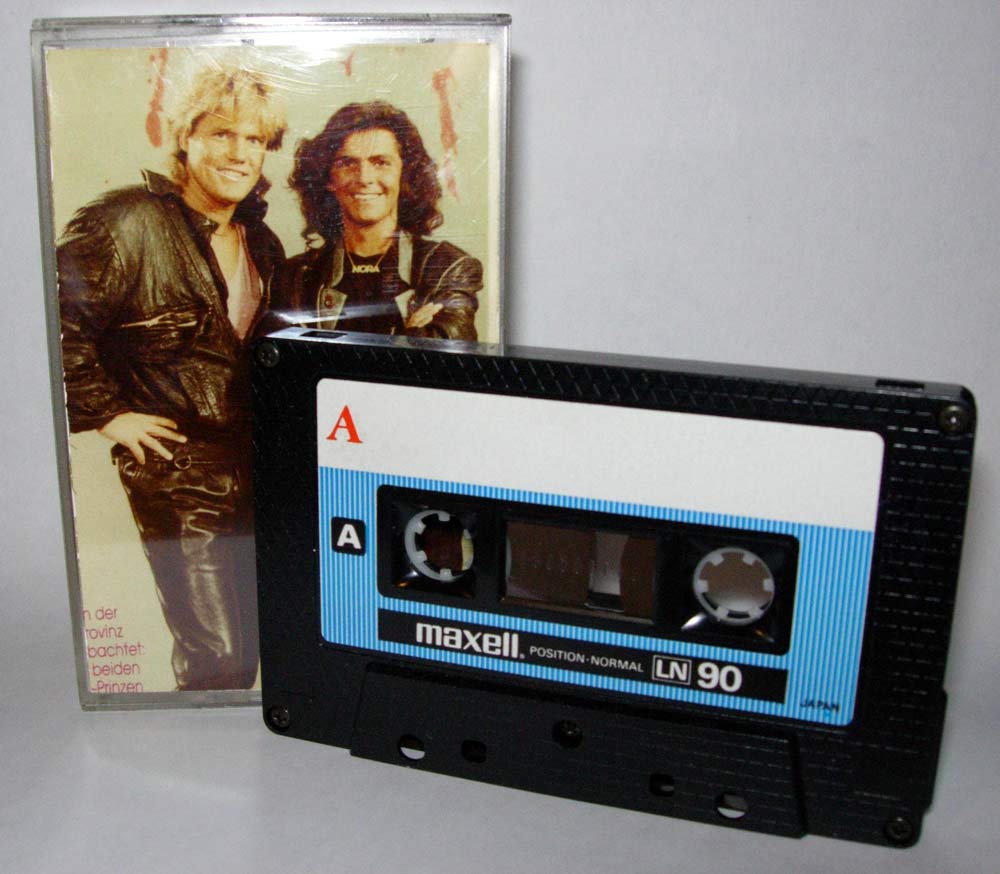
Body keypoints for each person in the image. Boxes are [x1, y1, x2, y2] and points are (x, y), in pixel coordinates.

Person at [56, 65, 287, 691]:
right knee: (218, 655)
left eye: (254, 139)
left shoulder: (262, 242)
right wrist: (108, 414)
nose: (239, 153)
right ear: (186, 138)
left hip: (255, 468)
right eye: (222, 133)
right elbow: (53, 322)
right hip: (180, 473)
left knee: (257, 649)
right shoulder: (122, 222)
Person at [278, 100, 482, 339]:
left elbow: (443, 357)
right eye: (347, 163)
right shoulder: (294, 277)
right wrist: (410, 334)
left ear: (405, 174)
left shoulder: (447, 268)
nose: (364, 178)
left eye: (380, 163)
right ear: (328, 179)